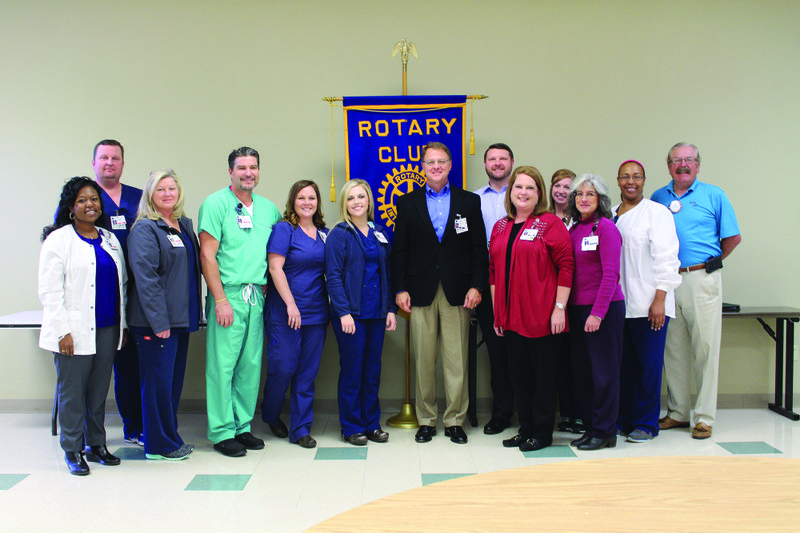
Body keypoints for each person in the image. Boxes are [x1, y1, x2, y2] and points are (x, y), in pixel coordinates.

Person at [392, 141, 488, 445]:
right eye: (430, 162)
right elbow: (400, 252)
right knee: (424, 358)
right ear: (422, 167)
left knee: (455, 359)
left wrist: (477, 286)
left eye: (441, 162)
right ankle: (427, 420)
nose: (436, 167)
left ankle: (455, 420)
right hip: (419, 291)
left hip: (458, 291)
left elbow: (478, 250)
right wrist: (400, 289)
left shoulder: (469, 202)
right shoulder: (407, 203)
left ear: (450, 166)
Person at [651, 143, 741, 439]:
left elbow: (732, 238)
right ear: (669, 167)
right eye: (677, 160)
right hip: (666, 282)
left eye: (689, 160)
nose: (683, 165)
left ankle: (703, 417)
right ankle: (678, 412)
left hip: (701, 279)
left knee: (705, 349)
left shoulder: (714, 195)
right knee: (672, 350)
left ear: (698, 165)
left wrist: (708, 264)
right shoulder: (658, 198)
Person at [39, 177, 126, 475]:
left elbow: (121, 286)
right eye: (82, 200)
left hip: (107, 328)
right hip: (72, 332)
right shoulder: (59, 240)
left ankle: (97, 444)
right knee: (72, 393)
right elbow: (50, 291)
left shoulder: (109, 239)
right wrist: (62, 330)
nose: (90, 205)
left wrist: (123, 326)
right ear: (71, 207)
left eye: (94, 199)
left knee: (98, 391)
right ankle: (73, 449)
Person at [198, 147, 282, 457]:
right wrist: (219, 299)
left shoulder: (268, 209)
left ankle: (242, 427)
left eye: (253, 167)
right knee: (223, 366)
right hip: (228, 294)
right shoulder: (216, 204)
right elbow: (207, 255)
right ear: (230, 172)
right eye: (242, 167)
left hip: (256, 295)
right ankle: (221, 431)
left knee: (250, 365)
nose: (248, 172)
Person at [489, 166, 573, 451]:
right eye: (518, 187)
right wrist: (498, 311)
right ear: (510, 192)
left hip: (543, 317)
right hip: (511, 317)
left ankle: (542, 432)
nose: (523, 193)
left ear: (539, 194)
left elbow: (567, 266)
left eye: (530, 188)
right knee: (519, 378)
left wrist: (559, 308)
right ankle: (525, 429)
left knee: (543, 379)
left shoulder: (549, 223)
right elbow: (493, 271)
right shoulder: (501, 226)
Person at [127, 169, 201, 460]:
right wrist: (159, 322)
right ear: (150, 195)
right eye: (161, 190)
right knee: (157, 385)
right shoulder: (146, 229)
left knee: (170, 385)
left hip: (179, 320)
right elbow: (146, 280)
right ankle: (159, 445)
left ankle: (170, 437)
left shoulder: (182, 225)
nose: (168, 193)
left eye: (172, 188)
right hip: (155, 322)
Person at [613, 160, 681, 443]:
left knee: (647, 366)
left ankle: (645, 423)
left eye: (637, 177)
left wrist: (660, 298)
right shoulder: (611, 214)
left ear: (644, 180)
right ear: (617, 181)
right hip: (618, 305)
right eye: (626, 177)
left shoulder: (656, 213)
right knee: (623, 366)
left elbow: (667, 258)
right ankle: (624, 420)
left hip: (649, 304)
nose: (631, 181)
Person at [326, 179, 397, 445]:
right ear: (345, 203)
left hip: (376, 314)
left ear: (369, 201)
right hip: (350, 316)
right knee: (353, 370)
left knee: (372, 370)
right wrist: (343, 312)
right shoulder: (339, 234)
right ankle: (351, 426)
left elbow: (387, 275)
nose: (357, 202)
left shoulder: (380, 232)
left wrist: (390, 309)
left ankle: (372, 424)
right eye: (351, 198)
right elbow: (332, 276)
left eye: (361, 197)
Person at [262, 180, 329, 449]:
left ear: (318, 202)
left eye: (312, 198)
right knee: (283, 367)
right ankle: (270, 414)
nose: (307, 203)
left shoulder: (324, 233)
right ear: (293, 201)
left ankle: (300, 428)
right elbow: (275, 268)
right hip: (285, 312)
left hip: (316, 313)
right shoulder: (284, 229)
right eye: (301, 198)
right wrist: (290, 304)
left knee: (307, 373)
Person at [566, 174, 625, 451]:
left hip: (603, 310)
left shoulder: (607, 228)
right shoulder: (575, 229)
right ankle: (591, 427)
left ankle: (605, 431)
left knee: (604, 374)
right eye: (579, 194)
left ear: (600, 199)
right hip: (577, 310)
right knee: (584, 374)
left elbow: (611, 274)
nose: (584, 199)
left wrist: (597, 313)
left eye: (590, 194)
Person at [91, 139, 144, 445]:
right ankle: (89, 433)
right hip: (97, 294)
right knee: (94, 368)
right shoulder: (84, 196)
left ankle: (134, 426)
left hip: (134, 293)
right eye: (103, 158)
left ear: (123, 163)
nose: (109, 162)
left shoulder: (138, 198)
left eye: (115, 158)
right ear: (94, 163)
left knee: (129, 365)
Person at [473, 143, 515, 435]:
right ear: (485, 164)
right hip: (488, 286)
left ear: (511, 162)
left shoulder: (524, 193)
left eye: (503, 158)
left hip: (523, 285)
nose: (497, 163)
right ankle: (501, 414)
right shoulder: (473, 199)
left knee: (526, 352)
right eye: (492, 159)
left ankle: (528, 412)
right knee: (497, 355)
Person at [548, 168, 584, 435]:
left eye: (567, 187)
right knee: (558, 361)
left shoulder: (583, 220)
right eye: (557, 185)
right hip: (553, 300)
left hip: (580, 299)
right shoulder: (544, 219)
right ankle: (567, 413)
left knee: (580, 359)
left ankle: (581, 413)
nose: (561, 190)